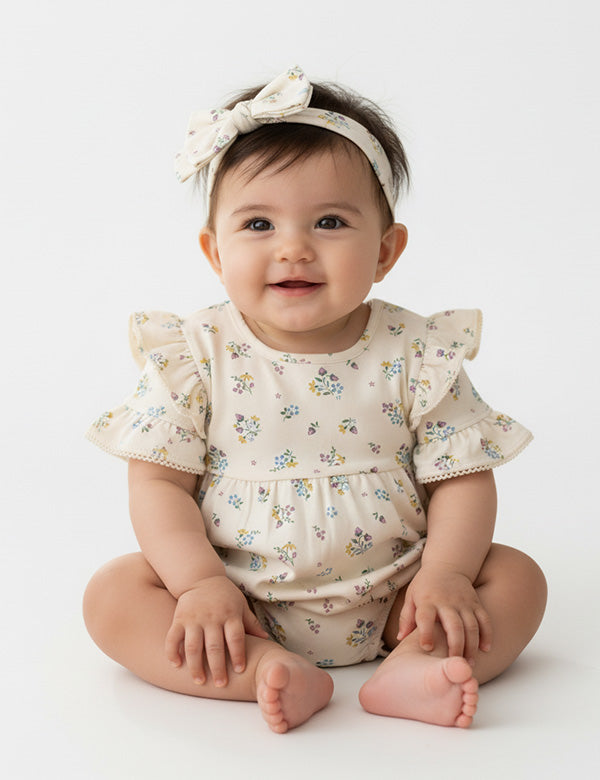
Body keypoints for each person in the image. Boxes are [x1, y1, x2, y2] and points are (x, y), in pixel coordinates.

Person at [83, 65, 547, 733]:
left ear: (385, 250)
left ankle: (413, 665)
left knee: (517, 577)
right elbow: (157, 482)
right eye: (259, 224)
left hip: (402, 592)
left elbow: (461, 477)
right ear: (215, 252)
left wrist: (445, 574)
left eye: (329, 221)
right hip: (237, 602)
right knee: (113, 596)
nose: (294, 248)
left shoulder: (418, 353)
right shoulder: (194, 355)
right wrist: (199, 585)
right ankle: (262, 669)